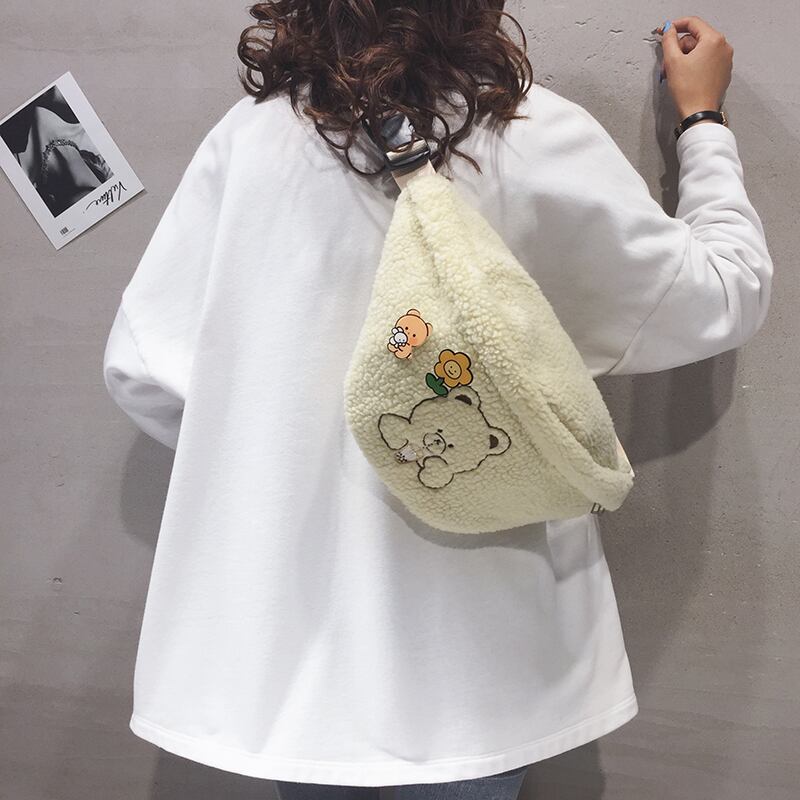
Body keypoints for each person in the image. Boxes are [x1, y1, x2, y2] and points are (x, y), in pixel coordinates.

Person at [102, 4, 772, 798]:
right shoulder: (528, 136)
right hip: (475, 672)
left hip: (297, 677)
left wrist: (283, 446)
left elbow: (141, 368)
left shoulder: (249, 143)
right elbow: (723, 292)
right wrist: (702, 122)